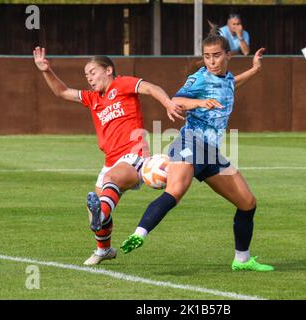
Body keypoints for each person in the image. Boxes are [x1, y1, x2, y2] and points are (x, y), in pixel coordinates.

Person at [120, 31, 274, 272]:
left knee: (247, 202)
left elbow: (232, 84)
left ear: (228, 55)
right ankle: (139, 233)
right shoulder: (199, 79)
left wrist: (255, 70)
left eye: (216, 56)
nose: (211, 61)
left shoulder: (226, 78)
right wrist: (200, 103)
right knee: (175, 192)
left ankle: (242, 260)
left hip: (211, 153)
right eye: (207, 56)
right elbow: (177, 99)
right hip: (190, 142)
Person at [32, 47, 183, 266]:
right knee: (96, 207)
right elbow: (62, 92)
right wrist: (46, 71)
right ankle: (104, 249)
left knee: (108, 188)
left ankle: (100, 216)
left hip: (134, 155)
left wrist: (168, 102)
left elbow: (150, 88)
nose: (89, 78)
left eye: (93, 72)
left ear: (108, 70)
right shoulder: (93, 98)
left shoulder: (121, 84)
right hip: (111, 160)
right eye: (86, 75)